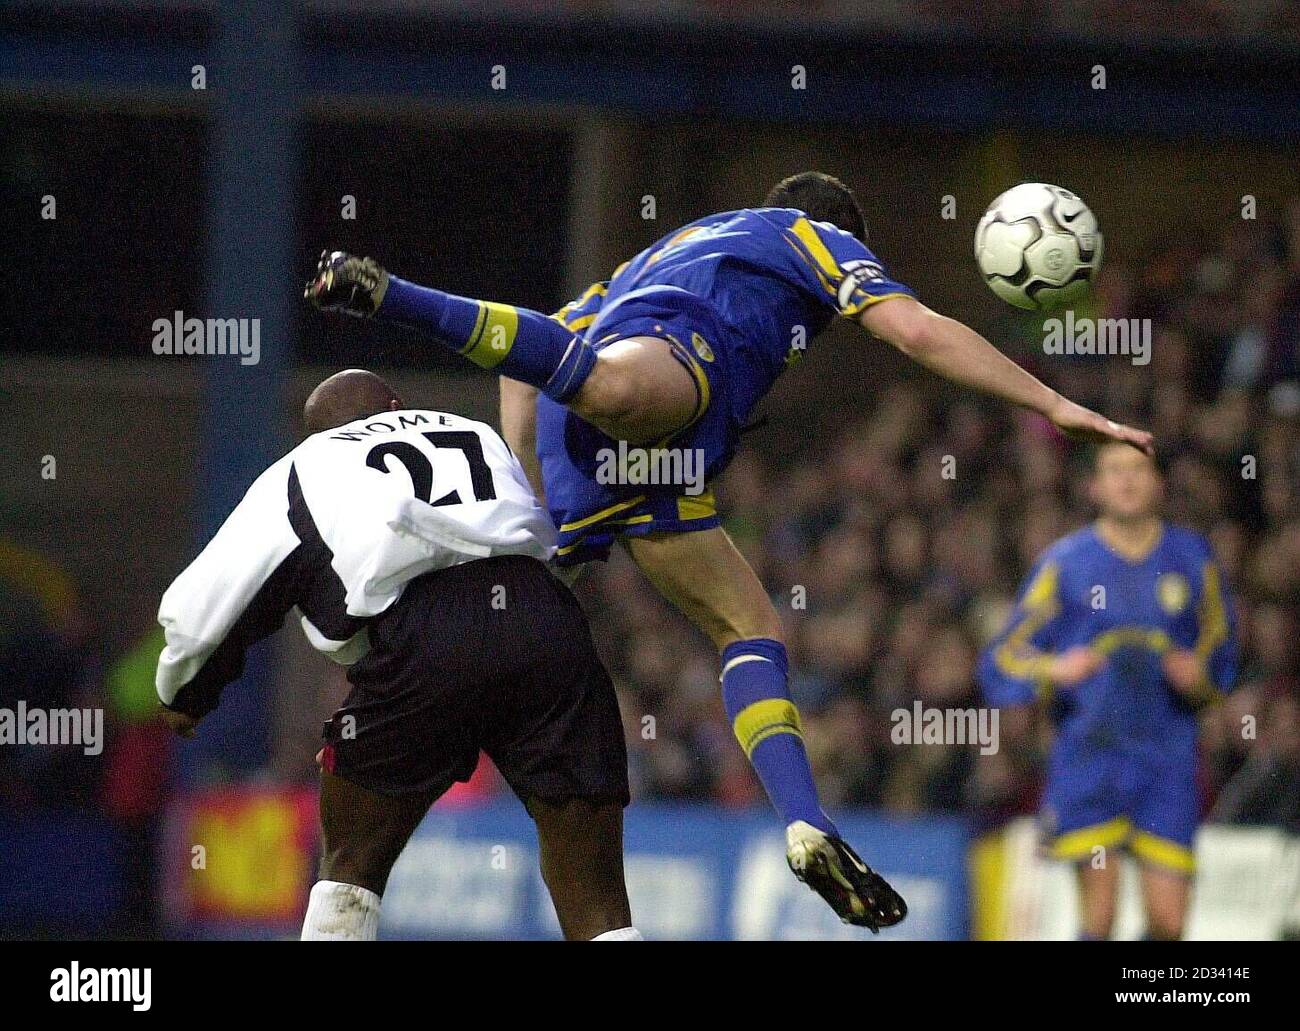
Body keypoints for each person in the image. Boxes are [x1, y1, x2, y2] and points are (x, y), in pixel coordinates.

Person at [306, 171, 1152, 929]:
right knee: (615, 386)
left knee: (750, 625)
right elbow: (921, 333)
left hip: (620, 461)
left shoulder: (665, 248)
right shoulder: (808, 236)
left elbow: (526, 361)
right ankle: (391, 295)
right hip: (661, 377)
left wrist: (528, 485)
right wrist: (1056, 403)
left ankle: (804, 819)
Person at [156, 369, 639, 942]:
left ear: (314, 435)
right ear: (395, 405)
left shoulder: (304, 466)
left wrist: (184, 692)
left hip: (425, 638)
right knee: (599, 899)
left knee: (349, 874)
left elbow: (208, 601)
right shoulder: (473, 431)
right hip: (546, 619)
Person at [979, 443, 1237, 940]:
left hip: (1167, 761)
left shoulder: (1192, 557)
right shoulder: (1066, 562)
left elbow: (1222, 655)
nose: (1127, 481)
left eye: (1138, 470)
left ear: (1159, 483)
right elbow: (1003, 656)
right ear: (1094, 487)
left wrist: (1199, 677)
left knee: (1169, 922)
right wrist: (1055, 668)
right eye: (1114, 471)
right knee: (1099, 917)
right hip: (1090, 758)